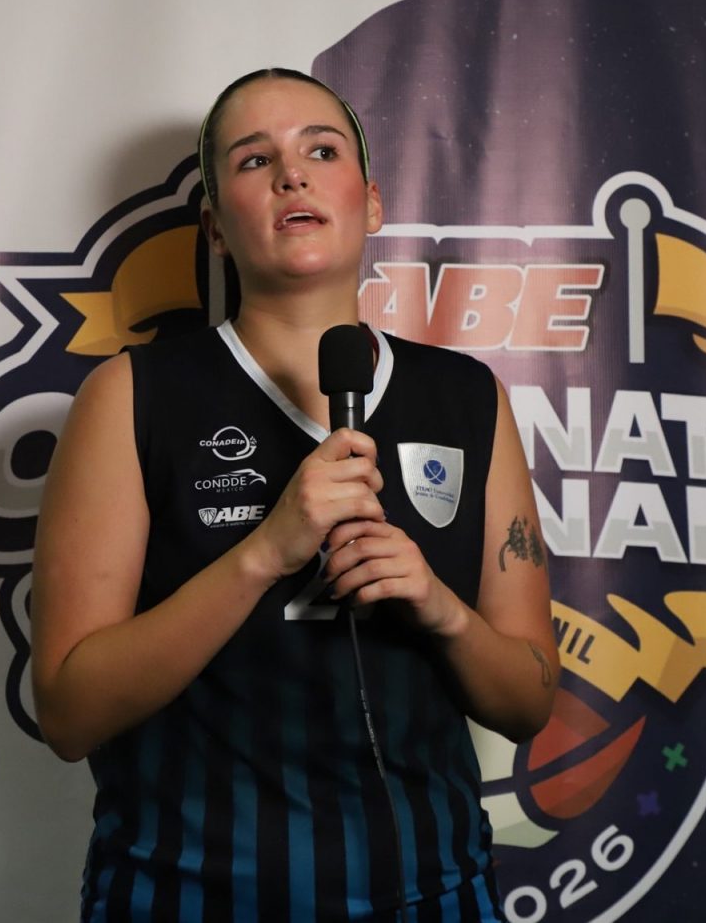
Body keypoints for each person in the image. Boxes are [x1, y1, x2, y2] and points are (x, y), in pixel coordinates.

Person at [31, 68, 560, 922]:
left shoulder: (468, 397)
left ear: (372, 203)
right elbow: (68, 711)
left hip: (433, 895)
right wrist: (264, 554)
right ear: (214, 226)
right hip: (185, 897)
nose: (291, 176)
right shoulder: (131, 396)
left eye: (322, 151)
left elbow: (529, 701)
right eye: (253, 160)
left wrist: (439, 608)